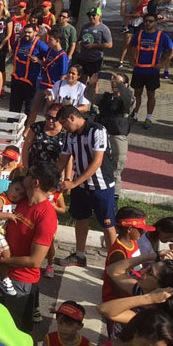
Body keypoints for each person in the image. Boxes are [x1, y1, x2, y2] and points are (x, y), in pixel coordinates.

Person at [0, 161, 60, 331]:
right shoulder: (20, 199)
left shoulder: (46, 215)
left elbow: (35, 261)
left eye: (29, 174)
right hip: (3, 272)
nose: (24, 176)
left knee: (14, 333)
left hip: (21, 282)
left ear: (35, 183)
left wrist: (4, 260)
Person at [56, 105, 117, 267]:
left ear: (72, 118)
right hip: (81, 187)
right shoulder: (70, 136)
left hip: (101, 186)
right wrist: (50, 179)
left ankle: (113, 264)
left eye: (64, 123)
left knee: (108, 225)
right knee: (80, 219)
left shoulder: (97, 130)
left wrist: (74, 183)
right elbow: (63, 160)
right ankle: (80, 256)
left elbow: (97, 162)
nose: (63, 128)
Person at [130, 14, 173, 129]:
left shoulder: (162, 36)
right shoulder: (139, 34)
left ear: (155, 22)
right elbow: (131, 45)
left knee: (151, 94)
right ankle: (134, 114)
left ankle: (148, 118)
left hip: (152, 71)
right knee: (137, 94)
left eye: (150, 21)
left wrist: (163, 63)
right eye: (146, 21)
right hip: (139, 69)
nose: (148, 23)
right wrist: (131, 58)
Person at [74, 8, 113, 78]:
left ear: (99, 16)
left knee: (94, 80)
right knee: (81, 77)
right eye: (89, 15)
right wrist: (79, 42)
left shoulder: (104, 28)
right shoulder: (85, 26)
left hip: (95, 59)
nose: (91, 17)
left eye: (93, 15)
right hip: (83, 57)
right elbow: (80, 39)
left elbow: (109, 44)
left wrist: (94, 45)